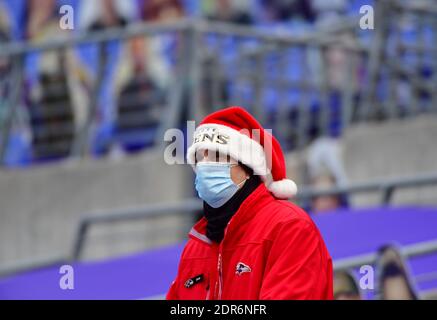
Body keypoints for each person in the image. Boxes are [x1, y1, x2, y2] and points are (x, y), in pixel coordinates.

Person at [166, 106, 333, 300]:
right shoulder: (196, 246)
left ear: (247, 168)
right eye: (199, 158)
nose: (204, 166)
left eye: (216, 156)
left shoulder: (289, 227)